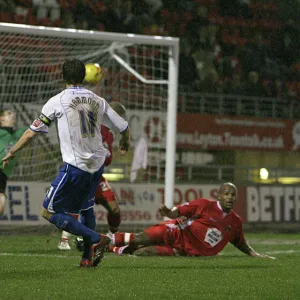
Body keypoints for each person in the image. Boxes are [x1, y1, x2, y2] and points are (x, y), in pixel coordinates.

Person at [2, 58, 130, 268]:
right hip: (97, 166)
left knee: (49, 212)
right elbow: (123, 127)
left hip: (75, 167)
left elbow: (31, 133)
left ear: (63, 77)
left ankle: (98, 239)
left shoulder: (57, 101)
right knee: (86, 208)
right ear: (83, 77)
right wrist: (125, 143)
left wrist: (13, 151)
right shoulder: (98, 100)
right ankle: (87, 257)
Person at [109, 182, 275, 259]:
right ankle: (101, 241)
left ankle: (114, 249)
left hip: (184, 251)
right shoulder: (204, 204)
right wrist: (169, 212)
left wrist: (255, 255)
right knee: (139, 238)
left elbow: (240, 243)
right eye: (226, 194)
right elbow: (179, 212)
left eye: (232, 195)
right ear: (219, 195)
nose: (229, 197)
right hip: (175, 232)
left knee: (142, 252)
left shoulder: (235, 222)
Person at [58, 101, 127, 250]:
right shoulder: (92, 125)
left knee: (115, 209)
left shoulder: (109, 135)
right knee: (76, 207)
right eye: (119, 117)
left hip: (98, 177)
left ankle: (111, 237)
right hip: (83, 174)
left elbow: (108, 160)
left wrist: (106, 156)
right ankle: (64, 239)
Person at [0, 107, 27, 215]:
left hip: (3, 174)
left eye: (13, 114)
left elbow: (36, 127)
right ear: (1, 118)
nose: (13, 115)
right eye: (9, 113)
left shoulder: (19, 134)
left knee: (1, 207)